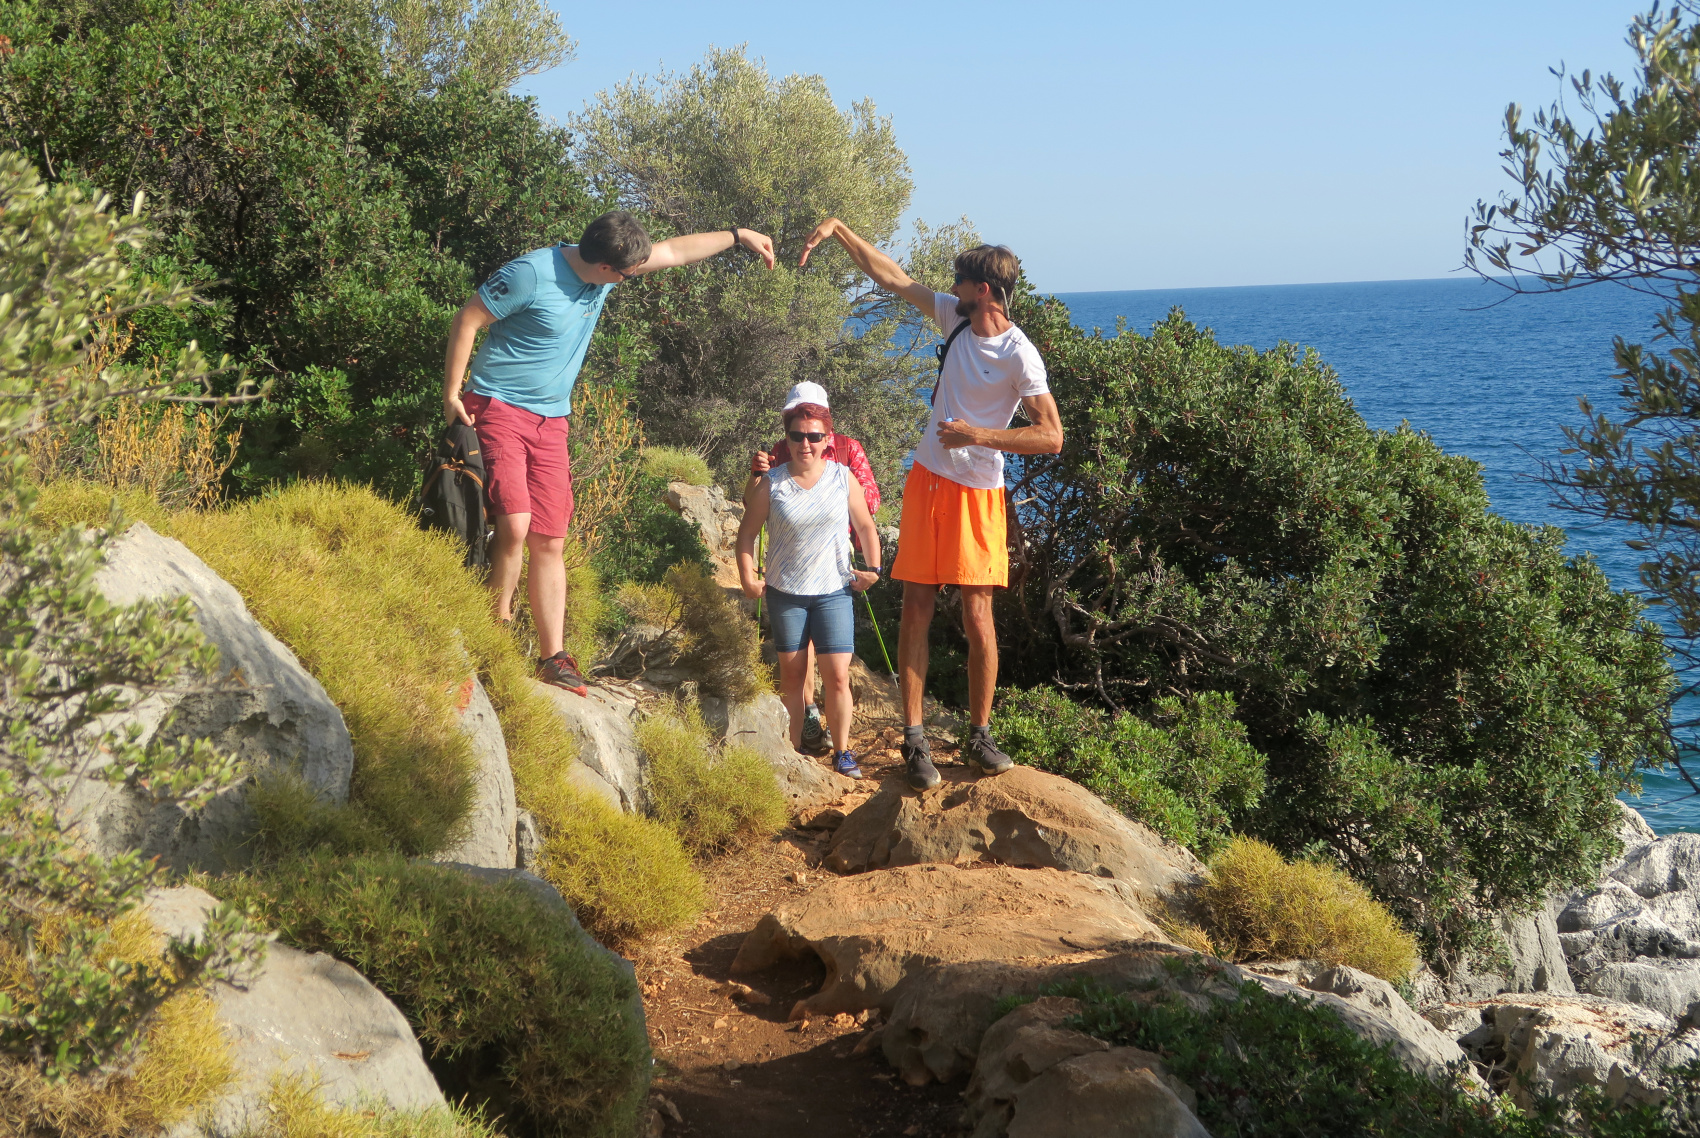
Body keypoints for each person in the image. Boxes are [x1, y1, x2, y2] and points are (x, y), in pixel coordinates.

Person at [443, 211, 776, 695]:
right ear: (604, 268)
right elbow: (468, 317)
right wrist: (452, 391)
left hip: (552, 419)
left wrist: (737, 236)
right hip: (496, 406)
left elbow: (675, 252)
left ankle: (552, 657)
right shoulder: (530, 274)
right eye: (624, 275)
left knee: (550, 539)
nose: (629, 279)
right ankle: (492, 634)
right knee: (514, 523)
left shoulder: (611, 267)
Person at [798, 219, 1063, 791]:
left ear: (984, 291)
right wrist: (842, 230)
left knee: (977, 615)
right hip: (928, 481)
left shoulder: (1020, 354)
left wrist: (978, 436)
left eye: (961, 282)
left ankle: (980, 735)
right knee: (916, 604)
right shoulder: (954, 319)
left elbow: (1051, 435)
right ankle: (914, 738)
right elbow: (893, 278)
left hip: (979, 495)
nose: (953, 289)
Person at [735, 398, 882, 779]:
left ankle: (843, 751)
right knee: (793, 678)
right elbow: (747, 534)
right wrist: (747, 578)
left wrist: (874, 568)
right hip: (786, 593)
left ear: (827, 437)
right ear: (786, 437)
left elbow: (865, 526)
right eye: (797, 435)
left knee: (836, 677)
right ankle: (794, 751)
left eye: (814, 436)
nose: (806, 444)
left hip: (833, 591)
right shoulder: (773, 483)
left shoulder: (842, 477)